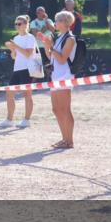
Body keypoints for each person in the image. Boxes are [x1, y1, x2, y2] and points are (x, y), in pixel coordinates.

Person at [39, 10, 77, 150]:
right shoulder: (60, 37)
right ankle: (64, 139)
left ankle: (69, 140)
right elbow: (52, 58)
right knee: (56, 109)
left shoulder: (70, 38)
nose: (55, 23)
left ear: (65, 23)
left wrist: (50, 47)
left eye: (57, 20)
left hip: (65, 76)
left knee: (65, 110)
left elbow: (61, 59)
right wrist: (47, 46)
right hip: (56, 76)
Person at [0, 15, 38, 129]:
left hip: (27, 69)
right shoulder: (16, 38)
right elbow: (14, 57)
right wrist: (12, 49)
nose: (17, 26)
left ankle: (26, 120)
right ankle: (9, 119)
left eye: (19, 24)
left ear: (25, 25)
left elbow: (28, 54)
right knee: (9, 93)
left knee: (27, 94)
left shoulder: (30, 37)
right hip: (17, 68)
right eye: (16, 24)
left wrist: (16, 46)